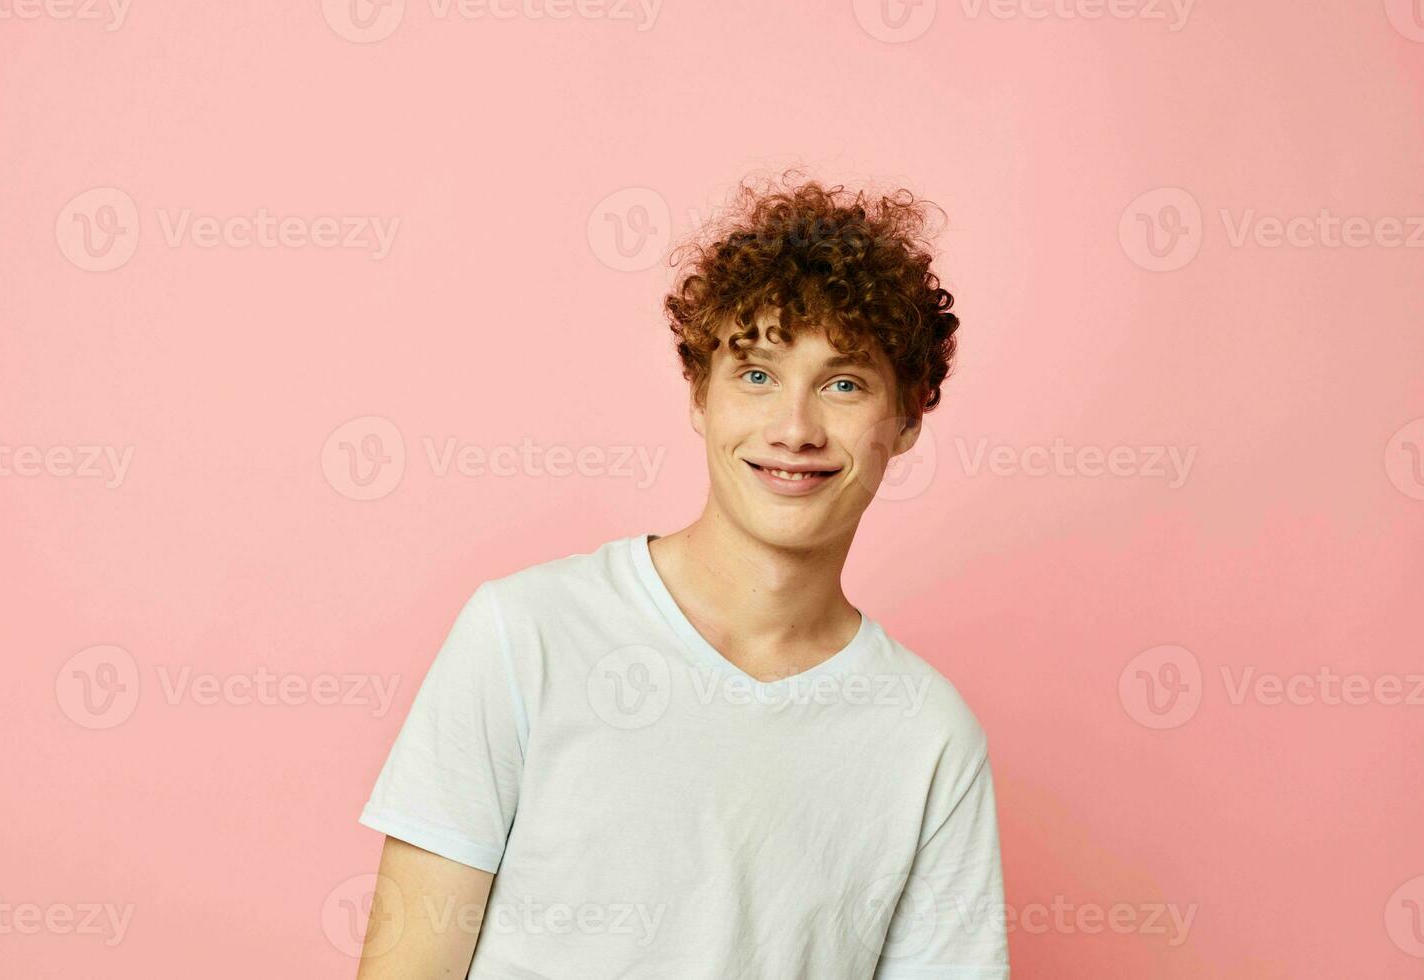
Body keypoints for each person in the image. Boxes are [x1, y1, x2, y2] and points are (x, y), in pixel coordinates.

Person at [355, 172, 1010, 979]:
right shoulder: (524, 635)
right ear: (700, 395)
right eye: (757, 374)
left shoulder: (930, 737)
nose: (795, 428)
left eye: (843, 384)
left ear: (907, 417)